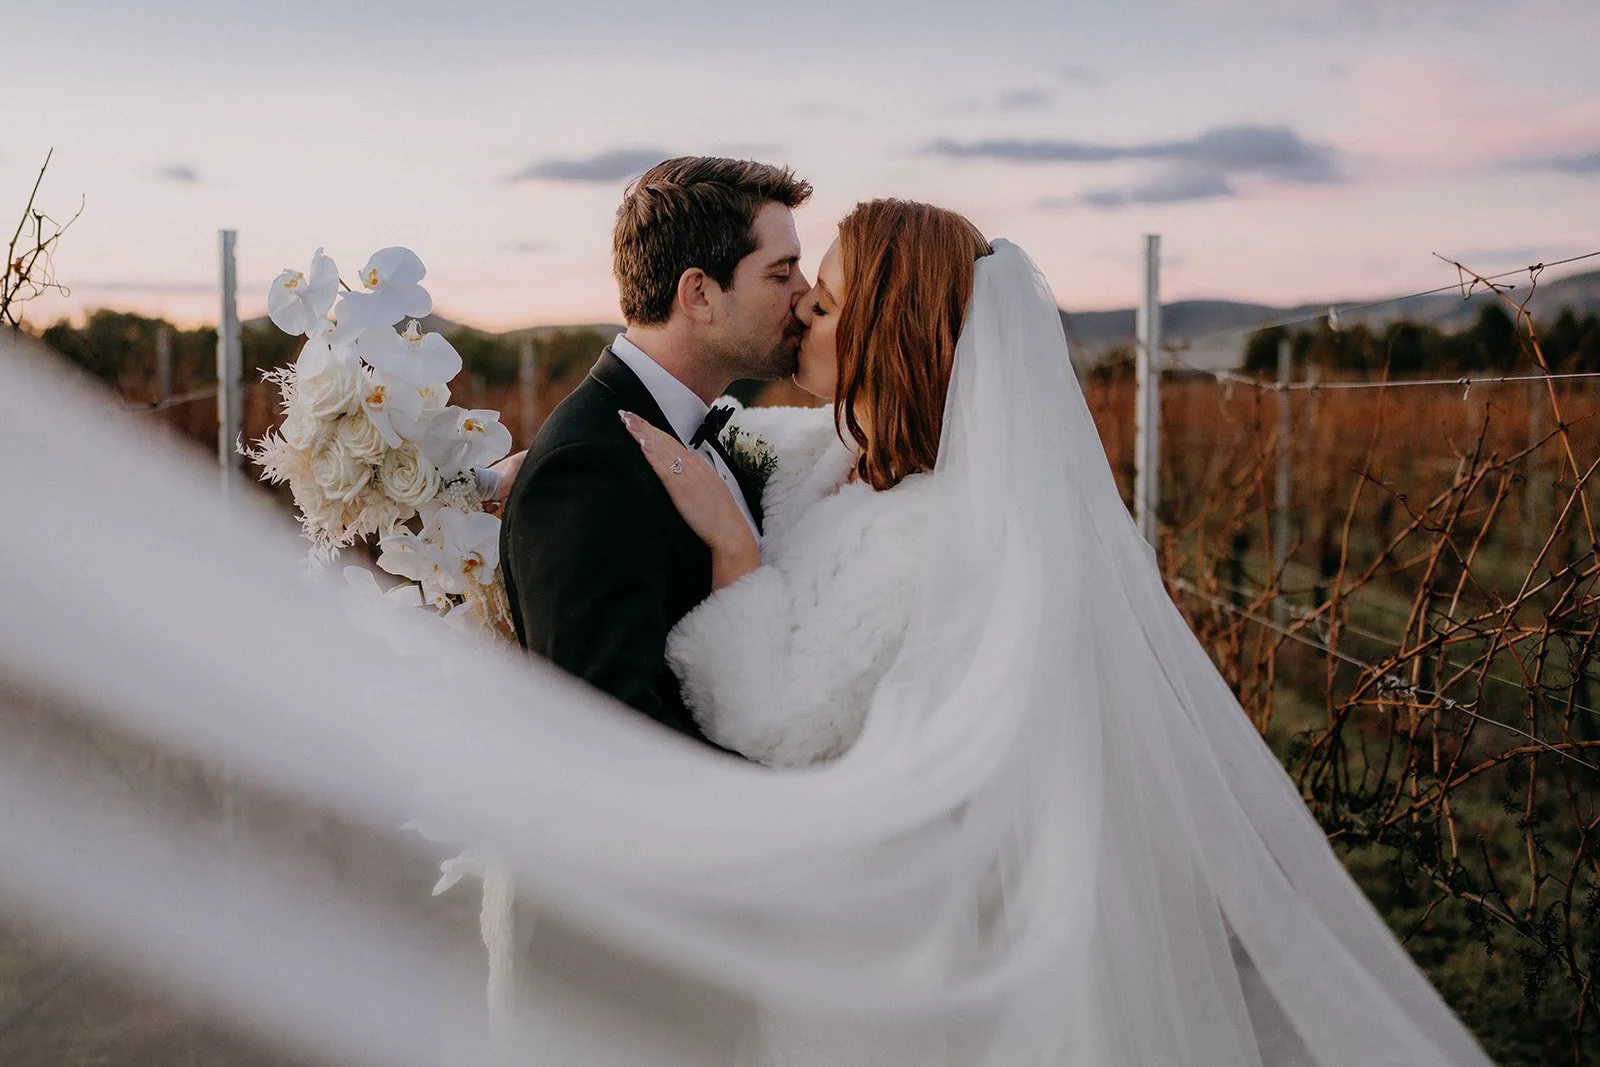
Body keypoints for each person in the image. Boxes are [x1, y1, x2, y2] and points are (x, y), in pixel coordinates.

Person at [621, 199, 1496, 1064]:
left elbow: (773, 729)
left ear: (890, 330)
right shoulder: (837, 454)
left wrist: (735, 554)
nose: (804, 304)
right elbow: (713, 436)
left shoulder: (934, 536)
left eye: (831, 299)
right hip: (834, 912)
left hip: (885, 939)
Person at [498, 155, 812, 749]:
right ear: (699, 294)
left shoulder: (704, 434)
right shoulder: (587, 467)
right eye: (781, 272)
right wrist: (789, 813)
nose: (805, 294)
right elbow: (608, 736)